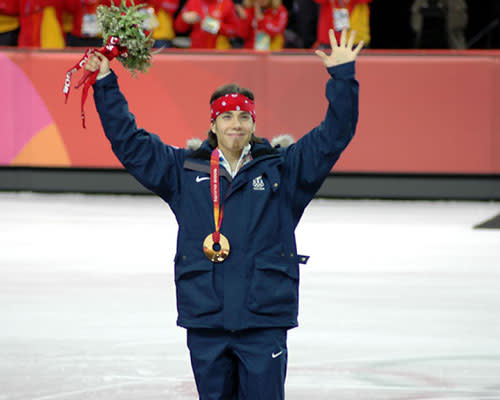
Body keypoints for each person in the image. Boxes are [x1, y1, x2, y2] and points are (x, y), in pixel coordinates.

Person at [84, 27, 363, 399]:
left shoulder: (283, 170)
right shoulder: (183, 171)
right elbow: (130, 144)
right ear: (213, 125)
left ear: (253, 124)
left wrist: (343, 77)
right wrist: (105, 82)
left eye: (243, 117)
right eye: (227, 117)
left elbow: (333, 136)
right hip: (208, 318)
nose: (236, 124)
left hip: (262, 318)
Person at [174, 0, 239, 49]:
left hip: (219, 52)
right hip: (197, 52)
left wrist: (213, 26)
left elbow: (235, 30)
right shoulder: (193, 2)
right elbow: (178, 28)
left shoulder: (226, 3)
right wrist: (184, 19)